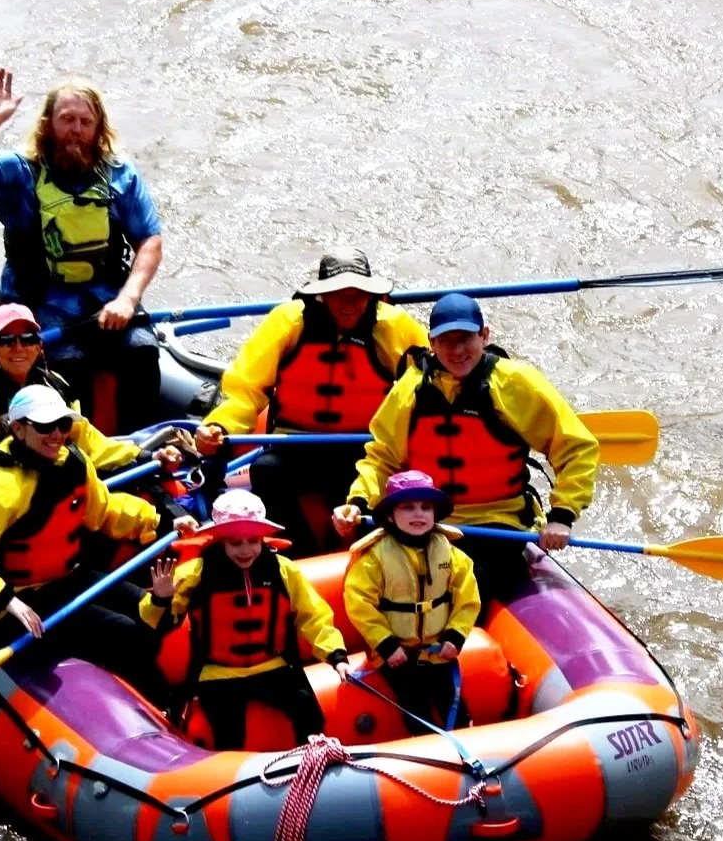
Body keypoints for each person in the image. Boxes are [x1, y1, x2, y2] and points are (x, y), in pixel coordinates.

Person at [0, 385, 188, 708]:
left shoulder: (73, 463)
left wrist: (161, 523)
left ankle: (162, 692)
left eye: (63, 425)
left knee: (157, 609)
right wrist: (4, 598)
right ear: (19, 428)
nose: (56, 435)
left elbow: (105, 511)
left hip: (66, 580)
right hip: (18, 604)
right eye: (45, 426)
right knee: (128, 632)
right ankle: (158, 705)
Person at [334, 293, 598, 604]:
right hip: (427, 520)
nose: (457, 350)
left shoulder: (515, 383)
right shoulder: (410, 389)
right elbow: (382, 458)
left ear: (484, 336)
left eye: (466, 338)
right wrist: (359, 501)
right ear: (432, 343)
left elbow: (576, 447)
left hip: (498, 523)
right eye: (446, 340)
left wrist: (562, 515)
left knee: (467, 584)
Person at [0, 70, 167, 434]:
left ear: (98, 129)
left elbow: (149, 242)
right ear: (49, 125)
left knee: (143, 353)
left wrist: (128, 298)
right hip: (38, 299)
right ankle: (71, 451)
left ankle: (138, 451)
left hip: (104, 297)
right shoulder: (20, 172)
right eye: (67, 120)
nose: (76, 129)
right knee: (69, 365)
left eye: (85, 121)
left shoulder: (119, 175)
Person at [192, 251, 428, 556]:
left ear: (371, 295)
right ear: (322, 295)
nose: (349, 303)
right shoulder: (288, 322)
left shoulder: (394, 327)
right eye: (339, 294)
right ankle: (297, 554)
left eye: (358, 294)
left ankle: (353, 551)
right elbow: (246, 389)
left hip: (362, 444)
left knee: (378, 488)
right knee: (265, 471)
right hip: (296, 442)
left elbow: (427, 383)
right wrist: (218, 426)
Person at [140, 490, 347, 751]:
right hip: (217, 673)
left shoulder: (283, 570)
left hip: (273, 666)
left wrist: (336, 656)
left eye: (253, 541)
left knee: (308, 713)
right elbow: (155, 622)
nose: (246, 550)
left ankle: (314, 764)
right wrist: (160, 598)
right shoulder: (196, 573)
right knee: (229, 735)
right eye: (236, 543)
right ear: (221, 541)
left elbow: (314, 615)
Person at [0, 303, 144, 530]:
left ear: (38, 347)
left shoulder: (53, 387)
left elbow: (87, 440)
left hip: (39, 489)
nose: (19, 347)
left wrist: (139, 455)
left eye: (28, 339)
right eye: (7, 341)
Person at [341, 471, 481, 729]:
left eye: (426, 508)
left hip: (437, 650)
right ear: (391, 516)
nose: (419, 514)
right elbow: (359, 602)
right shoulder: (375, 557)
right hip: (396, 653)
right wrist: (385, 645)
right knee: (414, 704)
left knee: (455, 706)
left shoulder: (449, 552)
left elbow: (467, 597)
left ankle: (467, 747)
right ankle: (426, 747)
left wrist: (456, 635)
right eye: (408, 507)